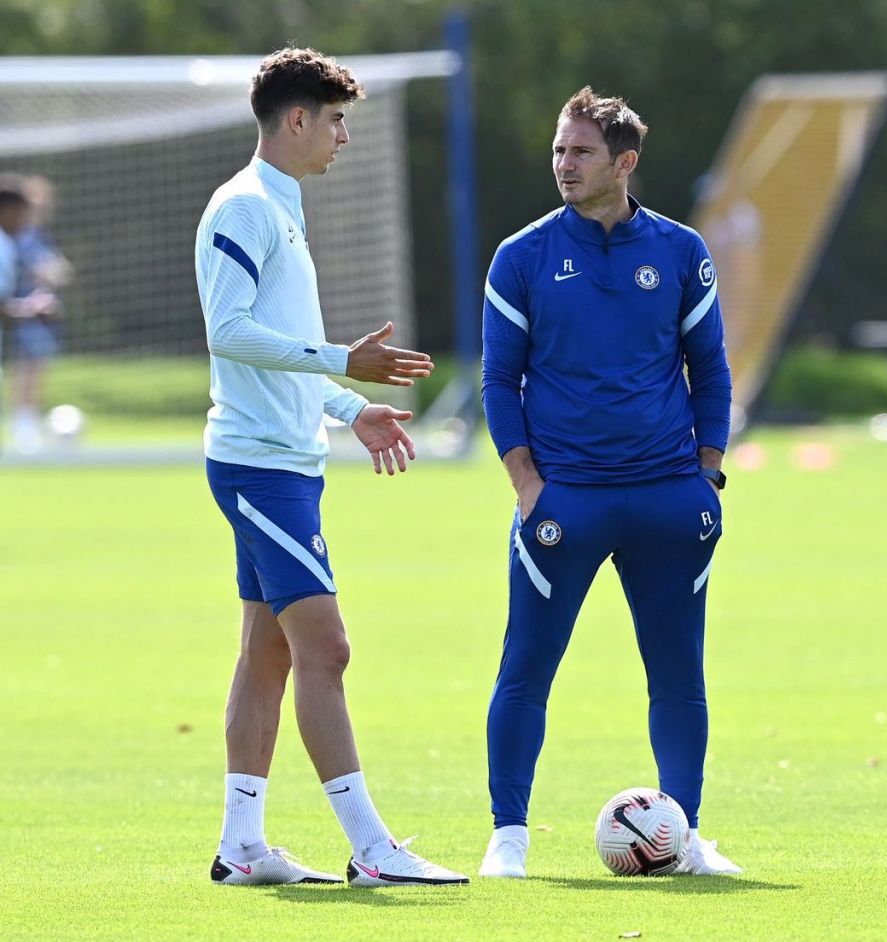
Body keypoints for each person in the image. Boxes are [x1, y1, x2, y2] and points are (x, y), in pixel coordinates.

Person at [194, 47, 467, 887]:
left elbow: (275, 352)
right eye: (337, 120)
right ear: (298, 119)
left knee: (268, 652)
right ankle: (373, 850)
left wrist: (351, 409)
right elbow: (228, 333)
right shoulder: (242, 208)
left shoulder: (281, 206)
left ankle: (242, 846)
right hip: (261, 471)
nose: (345, 137)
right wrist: (343, 362)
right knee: (328, 649)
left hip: (281, 462)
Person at [479, 87, 740, 878]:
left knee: (678, 675)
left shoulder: (681, 250)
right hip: (567, 502)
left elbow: (712, 370)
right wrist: (528, 487)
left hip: (669, 500)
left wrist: (707, 472)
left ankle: (685, 838)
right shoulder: (520, 257)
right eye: (560, 149)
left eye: (581, 151)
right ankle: (509, 837)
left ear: (623, 163)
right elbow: (499, 382)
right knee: (526, 667)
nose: (564, 163)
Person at [9, 176, 73, 453]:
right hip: (18, 311)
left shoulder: (37, 234)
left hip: (35, 314)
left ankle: (27, 423)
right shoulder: (18, 234)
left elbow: (58, 268)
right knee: (26, 367)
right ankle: (22, 426)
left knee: (36, 366)